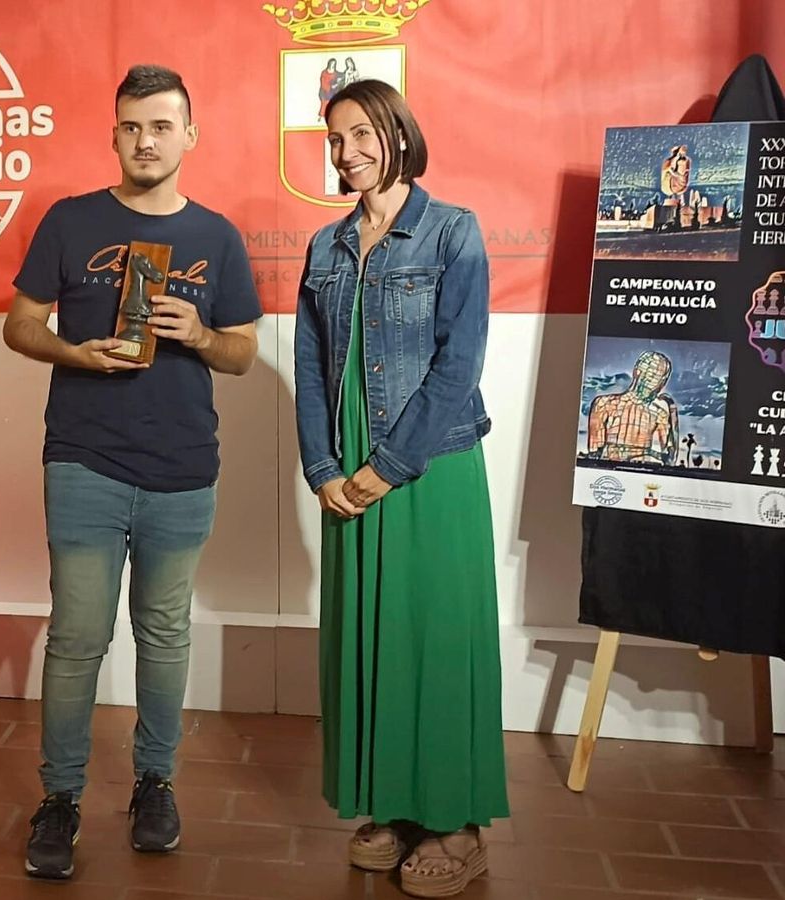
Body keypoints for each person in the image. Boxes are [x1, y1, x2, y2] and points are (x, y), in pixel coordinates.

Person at [2, 64, 260, 880]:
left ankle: (155, 784)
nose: (145, 140)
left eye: (160, 125)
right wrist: (70, 351)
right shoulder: (70, 221)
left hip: (184, 469)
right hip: (83, 461)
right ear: (113, 134)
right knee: (78, 637)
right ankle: (61, 798)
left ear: (190, 134)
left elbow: (244, 354)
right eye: (130, 127)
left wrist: (199, 335)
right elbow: (18, 326)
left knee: (165, 633)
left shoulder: (217, 237)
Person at [293, 78, 508, 898]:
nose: (347, 153)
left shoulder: (453, 232)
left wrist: (390, 465)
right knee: (367, 636)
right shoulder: (326, 245)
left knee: (438, 634)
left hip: (430, 463)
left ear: (395, 131)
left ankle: (456, 823)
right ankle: (387, 804)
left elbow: (460, 368)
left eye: (360, 134)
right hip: (347, 470)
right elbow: (315, 374)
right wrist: (324, 469)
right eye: (335, 139)